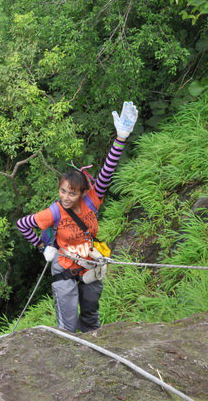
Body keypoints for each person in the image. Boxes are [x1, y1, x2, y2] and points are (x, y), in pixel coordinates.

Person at [16, 102, 139, 333]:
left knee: (91, 317)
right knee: (69, 326)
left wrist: (121, 138)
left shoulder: (92, 200)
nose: (66, 197)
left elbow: (107, 171)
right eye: (63, 191)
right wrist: (42, 247)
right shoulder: (53, 212)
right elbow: (23, 224)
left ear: (83, 193)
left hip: (89, 263)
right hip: (63, 267)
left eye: (72, 193)